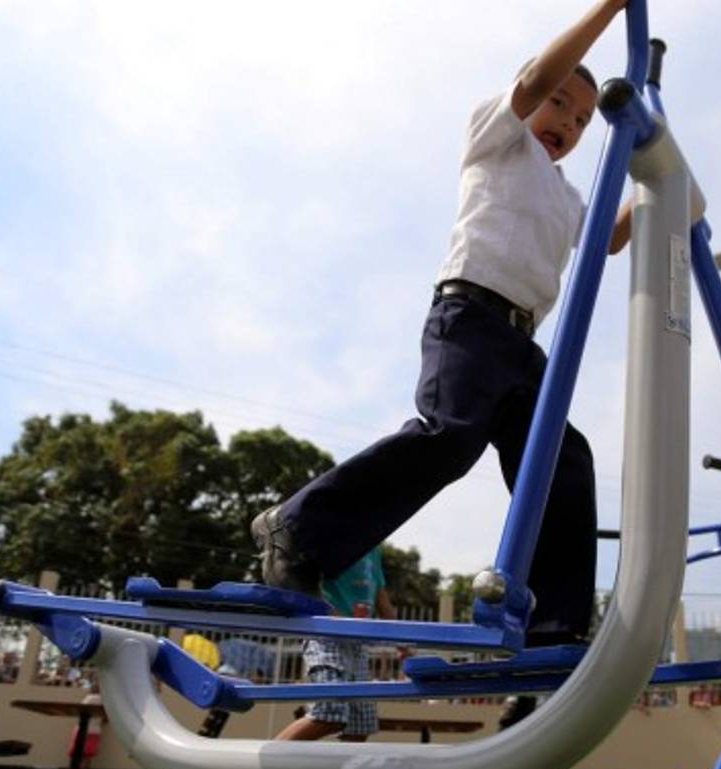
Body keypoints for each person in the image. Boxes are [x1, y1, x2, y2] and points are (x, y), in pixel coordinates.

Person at [250, 0, 633, 657]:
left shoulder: (567, 197)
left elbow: (610, 238)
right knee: (450, 438)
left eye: (580, 121)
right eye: (560, 105)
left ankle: (554, 625)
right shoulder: (497, 133)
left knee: (562, 462)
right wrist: (611, 8)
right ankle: (296, 529)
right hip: (470, 316)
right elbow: (537, 80)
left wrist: (663, 187)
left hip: (524, 345)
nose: (568, 124)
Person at [220, 547, 396, 769]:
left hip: (358, 643)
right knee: (328, 714)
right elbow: (302, 579)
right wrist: (327, 613)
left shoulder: (373, 548)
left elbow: (381, 596)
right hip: (326, 634)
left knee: (358, 730)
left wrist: (402, 640)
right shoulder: (333, 536)